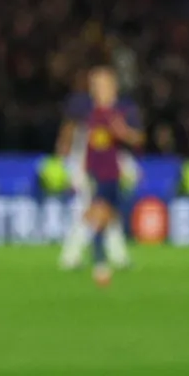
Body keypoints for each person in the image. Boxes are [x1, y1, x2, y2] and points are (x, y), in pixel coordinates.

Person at [57, 71, 132, 271]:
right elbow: (71, 133)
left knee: (106, 212)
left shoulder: (113, 109)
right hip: (86, 166)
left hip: (104, 167)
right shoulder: (84, 108)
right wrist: (69, 160)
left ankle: (117, 254)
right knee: (92, 211)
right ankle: (73, 255)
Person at [76, 67, 144, 286]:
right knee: (101, 218)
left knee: (108, 217)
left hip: (114, 172)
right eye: (101, 86)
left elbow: (135, 138)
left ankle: (101, 257)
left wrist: (123, 132)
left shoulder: (118, 113)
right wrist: (86, 170)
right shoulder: (93, 115)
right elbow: (91, 146)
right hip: (99, 174)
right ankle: (100, 264)